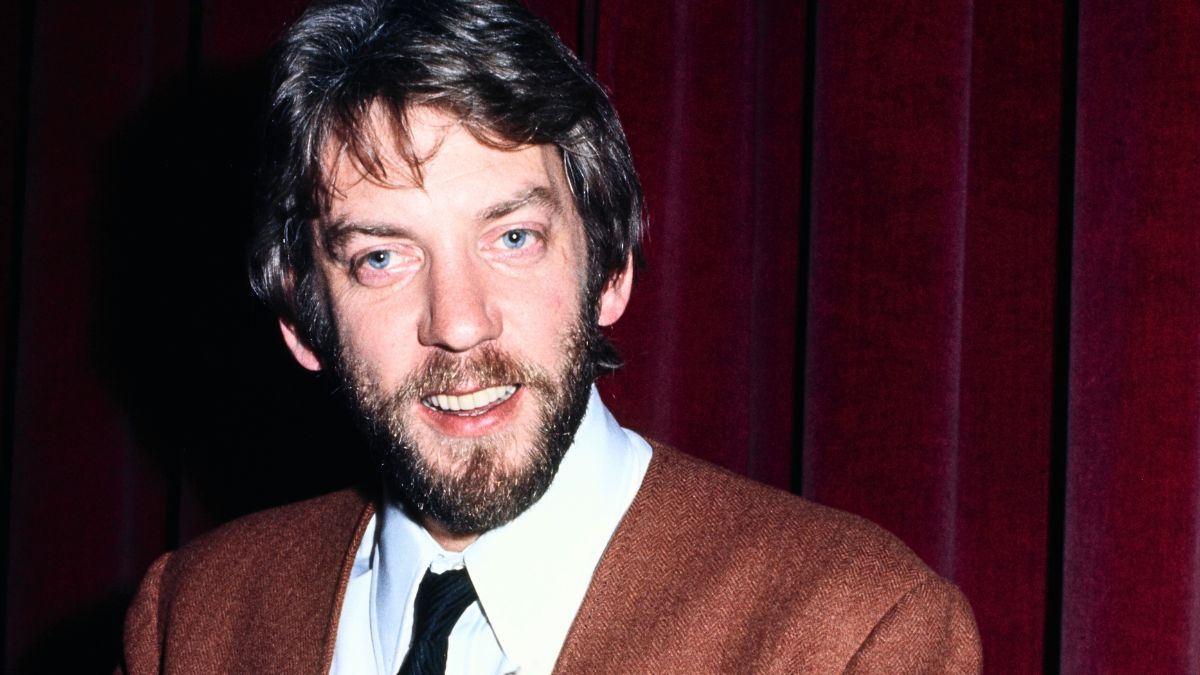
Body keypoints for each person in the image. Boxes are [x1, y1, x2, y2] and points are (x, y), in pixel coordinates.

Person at [120, 0, 982, 672]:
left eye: (514, 238)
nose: (459, 323)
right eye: (383, 256)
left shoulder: (850, 633)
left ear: (609, 271)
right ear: (303, 320)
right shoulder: (192, 621)